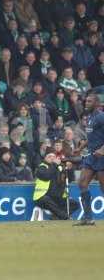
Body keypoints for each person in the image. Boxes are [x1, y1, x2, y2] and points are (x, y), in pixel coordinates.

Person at [74, 93, 104, 226]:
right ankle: (88, 218)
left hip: (102, 157)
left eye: (90, 101)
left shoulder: (101, 117)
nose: (86, 103)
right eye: (86, 101)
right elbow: (91, 137)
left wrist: (102, 150)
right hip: (92, 156)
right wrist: (80, 148)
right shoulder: (90, 117)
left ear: (97, 103)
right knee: (82, 183)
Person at [33, 147, 79, 220]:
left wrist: (70, 169)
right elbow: (46, 176)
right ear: (45, 158)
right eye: (49, 156)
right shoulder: (41, 167)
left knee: (75, 204)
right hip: (41, 197)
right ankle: (65, 217)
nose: (51, 158)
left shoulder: (59, 167)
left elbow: (70, 179)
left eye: (53, 157)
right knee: (47, 200)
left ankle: (56, 216)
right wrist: (55, 165)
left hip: (56, 197)